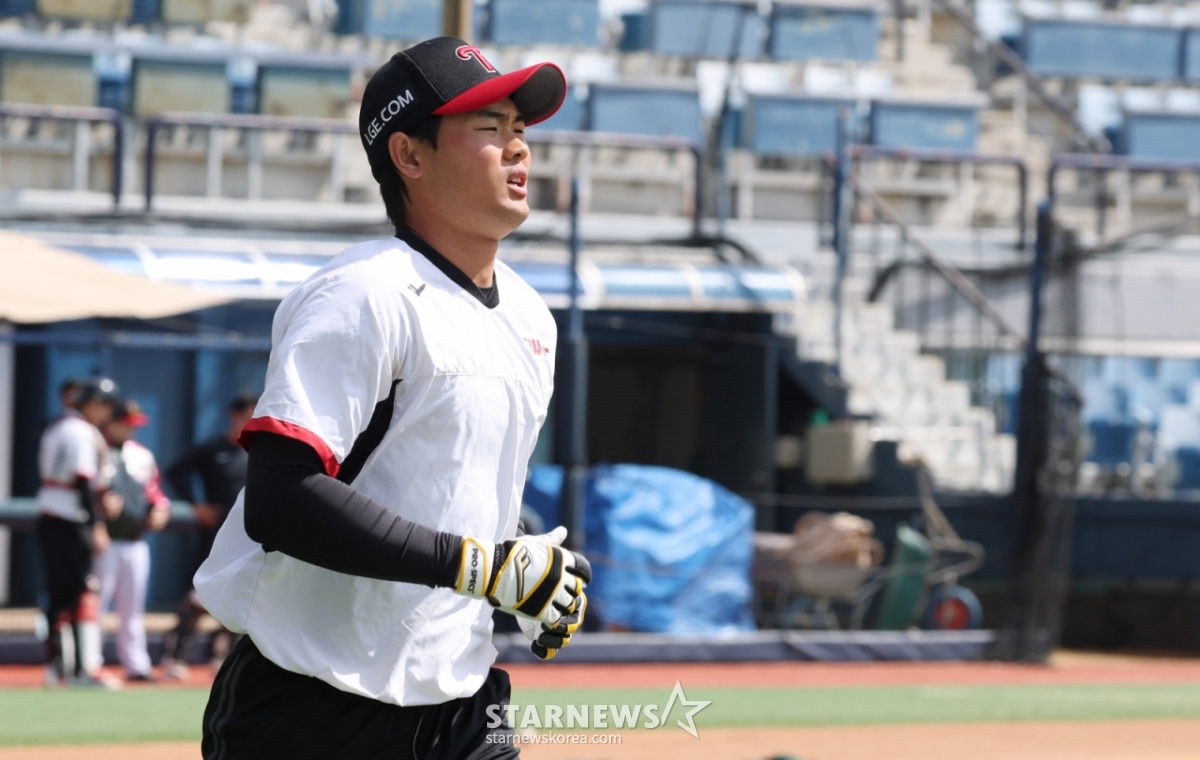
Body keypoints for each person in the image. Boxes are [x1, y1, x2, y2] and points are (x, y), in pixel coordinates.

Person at [194, 37, 591, 759]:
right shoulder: (361, 292)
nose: (518, 151)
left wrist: (527, 577)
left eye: (520, 131)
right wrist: (483, 566)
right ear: (409, 155)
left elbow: (450, 498)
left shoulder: (532, 316)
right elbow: (281, 497)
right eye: (488, 130)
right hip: (312, 706)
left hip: (465, 706)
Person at [162, 394, 256, 677]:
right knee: (196, 596)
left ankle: (224, 656)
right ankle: (175, 658)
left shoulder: (260, 451)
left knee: (243, 596)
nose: (250, 421)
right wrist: (196, 504)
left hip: (249, 538)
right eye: (247, 415)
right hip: (214, 537)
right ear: (234, 416)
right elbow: (175, 472)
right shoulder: (212, 449)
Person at [35, 377, 120, 689]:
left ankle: (63, 668)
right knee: (76, 591)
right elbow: (83, 479)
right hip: (68, 518)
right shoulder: (79, 429)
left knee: (65, 593)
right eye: (106, 407)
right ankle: (77, 669)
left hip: (57, 515)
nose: (107, 414)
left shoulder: (62, 425)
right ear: (94, 403)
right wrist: (96, 523)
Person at [95, 399, 171, 682]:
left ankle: (136, 665)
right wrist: (99, 506)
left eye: (133, 426)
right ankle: (90, 663)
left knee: (132, 609)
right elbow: (84, 491)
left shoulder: (140, 454)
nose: (130, 430)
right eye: (125, 425)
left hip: (136, 540)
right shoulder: (96, 449)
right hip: (104, 542)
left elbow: (155, 493)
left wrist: (161, 509)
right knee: (97, 606)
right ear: (111, 423)